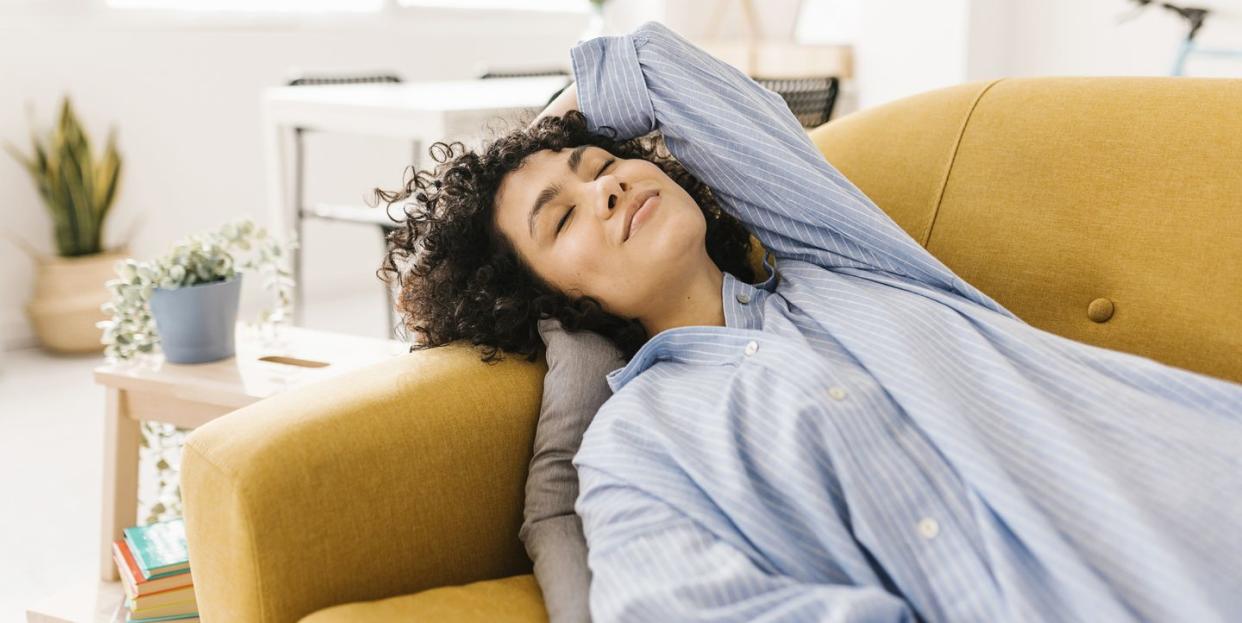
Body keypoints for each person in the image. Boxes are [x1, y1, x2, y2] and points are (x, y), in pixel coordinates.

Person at [374, 21, 1242, 623]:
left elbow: (659, 68)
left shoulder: (844, 263)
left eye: (599, 161)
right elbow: (673, 605)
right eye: (560, 221)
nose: (602, 187)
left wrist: (549, 128)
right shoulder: (637, 440)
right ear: (556, 302)